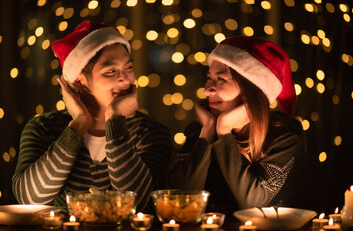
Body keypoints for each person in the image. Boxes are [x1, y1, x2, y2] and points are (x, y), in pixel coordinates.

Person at [12, 21, 172, 212]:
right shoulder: (44, 127)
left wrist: (114, 120)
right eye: (111, 71)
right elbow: (30, 199)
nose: (126, 79)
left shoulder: (150, 132)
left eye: (128, 68)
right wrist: (79, 124)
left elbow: (141, 204)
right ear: (79, 81)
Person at [167, 36, 307, 214]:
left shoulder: (285, 134)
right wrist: (208, 132)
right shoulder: (202, 130)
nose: (207, 90)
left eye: (221, 79)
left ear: (252, 89)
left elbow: (253, 204)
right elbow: (178, 201)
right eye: (209, 78)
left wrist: (224, 132)